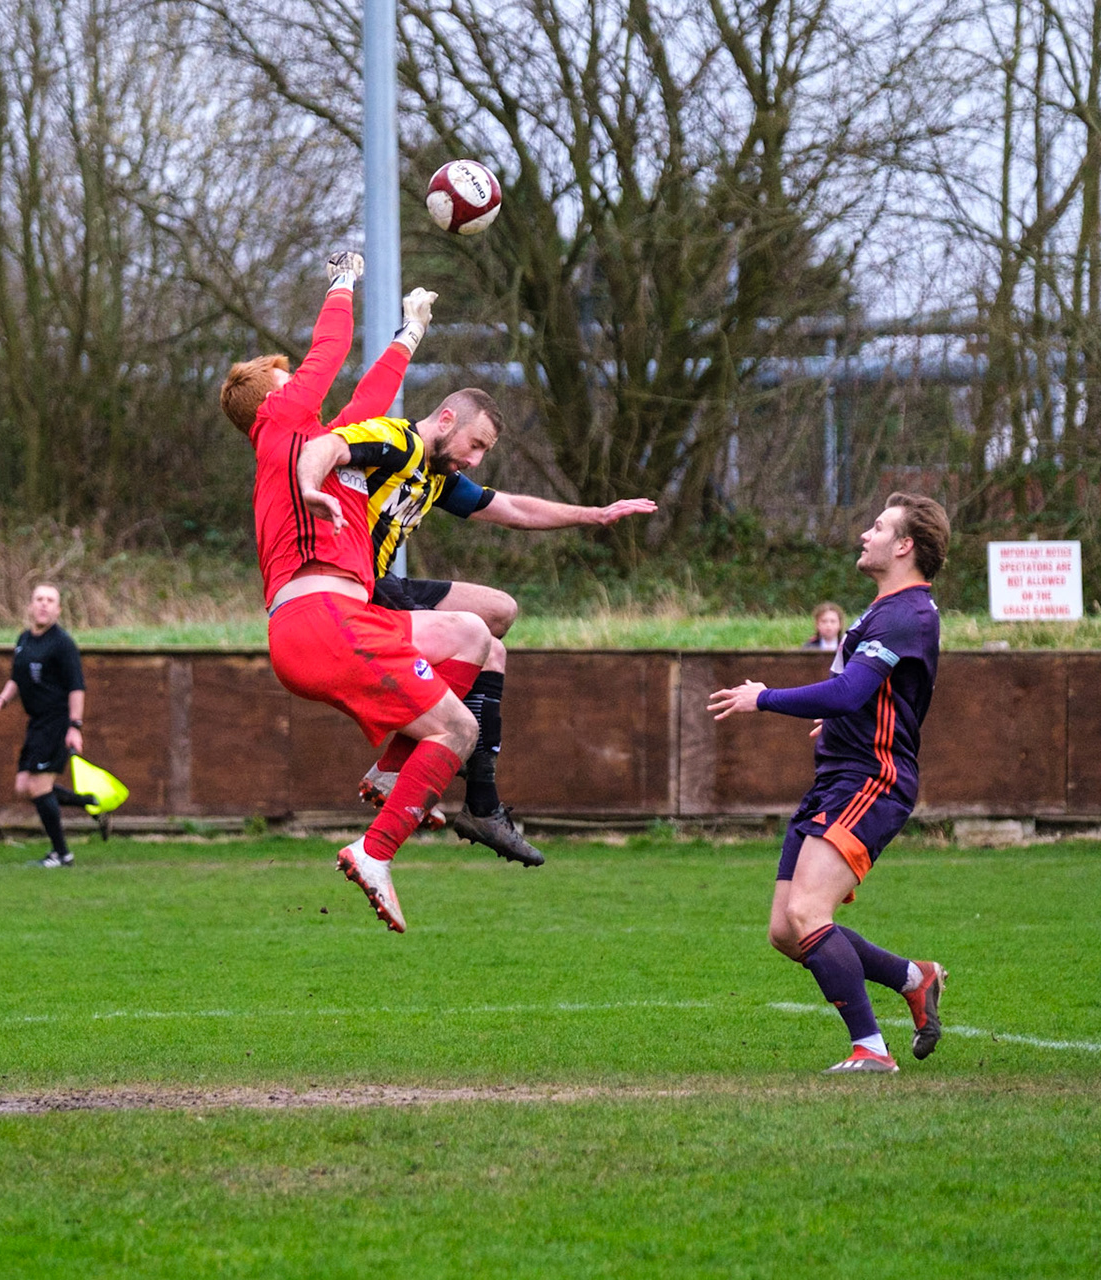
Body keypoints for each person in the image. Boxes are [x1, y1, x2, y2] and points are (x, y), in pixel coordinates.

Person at [218, 251, 492, 932]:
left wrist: (409, 333)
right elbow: (329, 350)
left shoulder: (319, 439)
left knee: (471, 636)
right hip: (323, 622)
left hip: (325, 621)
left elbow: (367, 400)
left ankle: (389, 774)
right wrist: (343, 280)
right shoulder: (280, 422)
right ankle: (376, 852)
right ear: (276, 395)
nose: (302, 380)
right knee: (460, 727)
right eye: (289, 378)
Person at [304, 399, 658, 867]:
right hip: (353, 594)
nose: (474, 460)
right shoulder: (396, 443)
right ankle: (470, 800)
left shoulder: (436, 477)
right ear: (447, 419)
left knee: (499, 611)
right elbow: (325, 445)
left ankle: (443, 786)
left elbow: (511, 508)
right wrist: (310, 488)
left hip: (384, 585)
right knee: (486, 650)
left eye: (483, 452)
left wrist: (594, 514)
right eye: (475, 445)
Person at [708, 494, 951, 1073]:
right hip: (836, 776)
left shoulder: (907, 614)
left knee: (809, 912)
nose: (864, 534)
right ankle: (913, 978)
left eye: (878, 526)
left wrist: (761, 697)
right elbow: (861, 695)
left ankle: (870, 1049)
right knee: (785, 931)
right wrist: (844, 715)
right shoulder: (878, 612)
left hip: (873, 778)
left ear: (904, 546)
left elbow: (848, 692)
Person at [0, 583, 105, 866]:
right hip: (36, 722)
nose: (43, 604)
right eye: (39, 599)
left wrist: (75, 726)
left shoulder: (62, 643)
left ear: (58, 609)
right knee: (23, 786)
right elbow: (17, 679)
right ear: (30, 606)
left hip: (57, 721)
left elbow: (77, 687)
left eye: (50, 600)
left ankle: (62, 854)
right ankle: (90, 803)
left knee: (38, 786)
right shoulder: (24, 640)